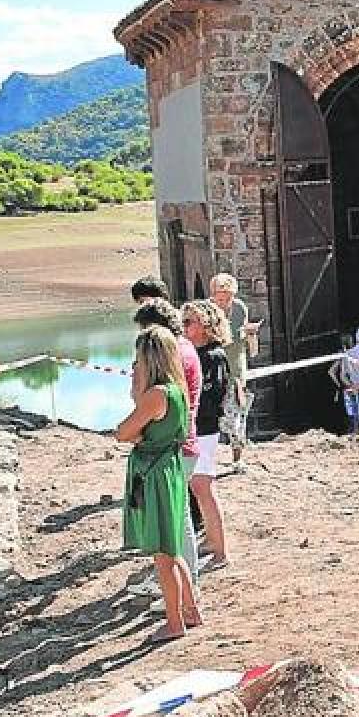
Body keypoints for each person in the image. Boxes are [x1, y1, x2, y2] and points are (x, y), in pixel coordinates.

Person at [114, 326, 199, 643]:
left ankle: (174, 622)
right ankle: (191, 610)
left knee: (163, 554)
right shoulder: (177, 390)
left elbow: (124, 432)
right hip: (170, 468)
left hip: (155, 475)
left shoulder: (155, 395)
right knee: (174, 546)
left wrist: (136, 394)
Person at [180, 300, 232, 571]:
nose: (184, 326)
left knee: (203, 488)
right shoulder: (194, 353)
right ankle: (213, 542)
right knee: (198, 489)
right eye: (183, 321)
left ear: (206, 326)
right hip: (196, 428)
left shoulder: (214, 356)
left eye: (190, 322)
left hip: (204, 429)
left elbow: (216, 395)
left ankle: (220, 551)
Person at [209, 272, 259, 467]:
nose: (223, 302)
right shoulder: (207, 310)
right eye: (219, 298)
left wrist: (250, 334)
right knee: (210, 414)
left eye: (227, 298)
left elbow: (250, 347)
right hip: (213, 368)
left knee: (237, 413)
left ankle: (237, 457)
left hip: (236, 370)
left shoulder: (239, 309)